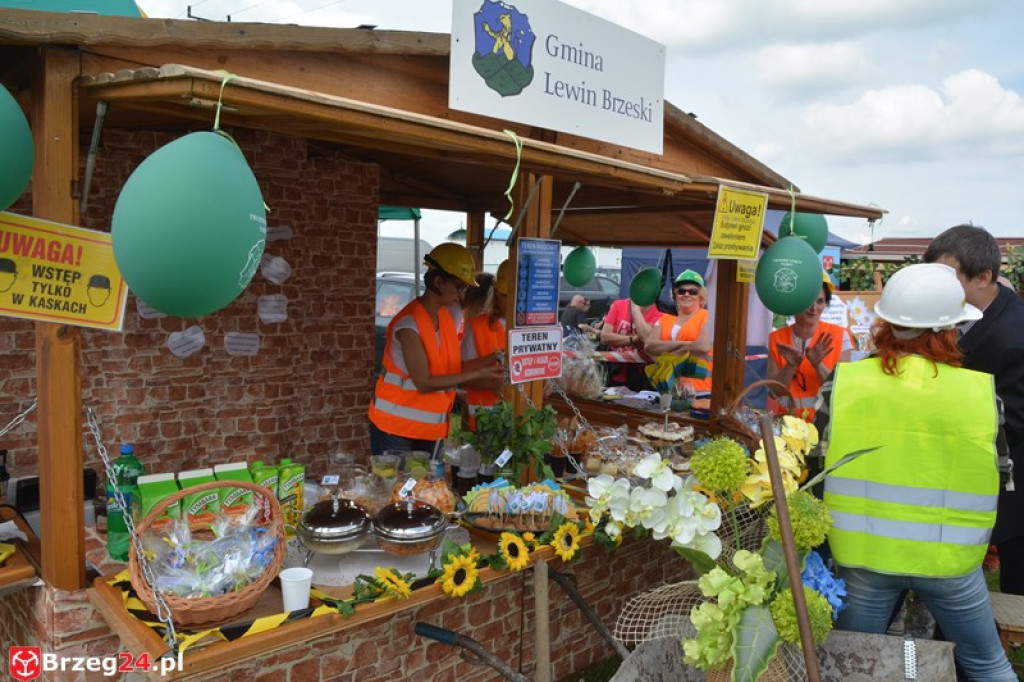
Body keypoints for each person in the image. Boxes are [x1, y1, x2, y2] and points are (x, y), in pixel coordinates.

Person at [816, 263, 1015, 681]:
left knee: (855, 667)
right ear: (948, 330)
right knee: (987, 664)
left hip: (863, 558)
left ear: (886, 325)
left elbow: (817, 464)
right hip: (950, 562)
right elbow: (1002, 474)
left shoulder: (845, 382)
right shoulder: (979, 392)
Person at [924, 224, 1024, 595]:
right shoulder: (958, 318)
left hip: (1009, 496)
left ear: (984, 277)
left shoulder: (1012, 337)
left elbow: (1008, 425)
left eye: (948, 279)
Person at [368, 243, 504, 455]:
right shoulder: (409, 324)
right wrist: (478, 374)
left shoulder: (445, 319)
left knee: (428, 488)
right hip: (394, 428)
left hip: (431, 428)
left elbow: (452, 367)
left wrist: (495, 357)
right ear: (438, 281)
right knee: (397, 489)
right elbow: (424, 381)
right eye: (459, 287)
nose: (462, 295)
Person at [767, 271, 854, 421]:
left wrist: (818, 365)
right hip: (789, 427)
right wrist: (790, 366)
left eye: (820, 301)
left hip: (825, 425)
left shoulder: (841, 336)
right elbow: (774, 392)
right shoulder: (776, 339)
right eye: (808, 301)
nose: (813, 308)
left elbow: (841, 390)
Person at [643, 269, 713, 392]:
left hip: (700, 390)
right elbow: (649, 346)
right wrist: (687, 345)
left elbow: (703, 346)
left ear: (701, 296)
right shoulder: (664, 319)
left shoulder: (707, 316)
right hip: (669, 390)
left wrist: (667, 351)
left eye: (693, 292)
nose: (686, 294)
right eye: (681, 291)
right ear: (675, 295)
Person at [462, 260, 510, 426]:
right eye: (506, 296)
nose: (512, 302)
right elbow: (459, 375)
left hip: (525, 416)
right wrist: (489, 383)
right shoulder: (476, 327)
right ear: (496, 293)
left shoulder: (535, 330)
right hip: (486, 418)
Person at [600, 298, 662, 389]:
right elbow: (604, 337)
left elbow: (647, 338)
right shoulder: (619, 305)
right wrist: (634, 339)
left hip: (639, 373)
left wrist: (636, 311)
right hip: (614, 369)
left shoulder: (659, 313)